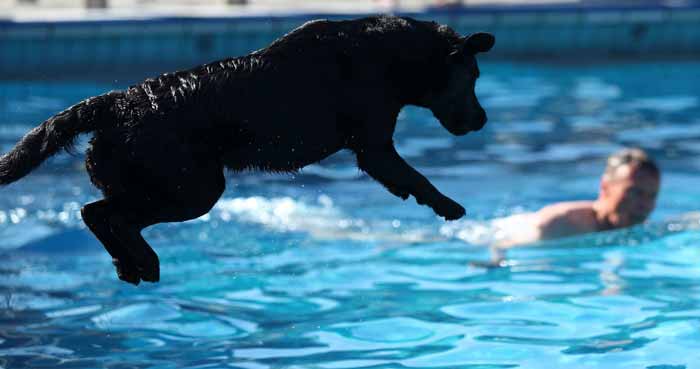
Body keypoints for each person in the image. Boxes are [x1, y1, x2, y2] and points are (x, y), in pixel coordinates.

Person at [492, 148, 661, 251]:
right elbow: (502, 244)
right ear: (606, 187)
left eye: (651, 196)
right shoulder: (559, 225)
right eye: (634, 193)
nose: (644, 205)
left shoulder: (639, 229)